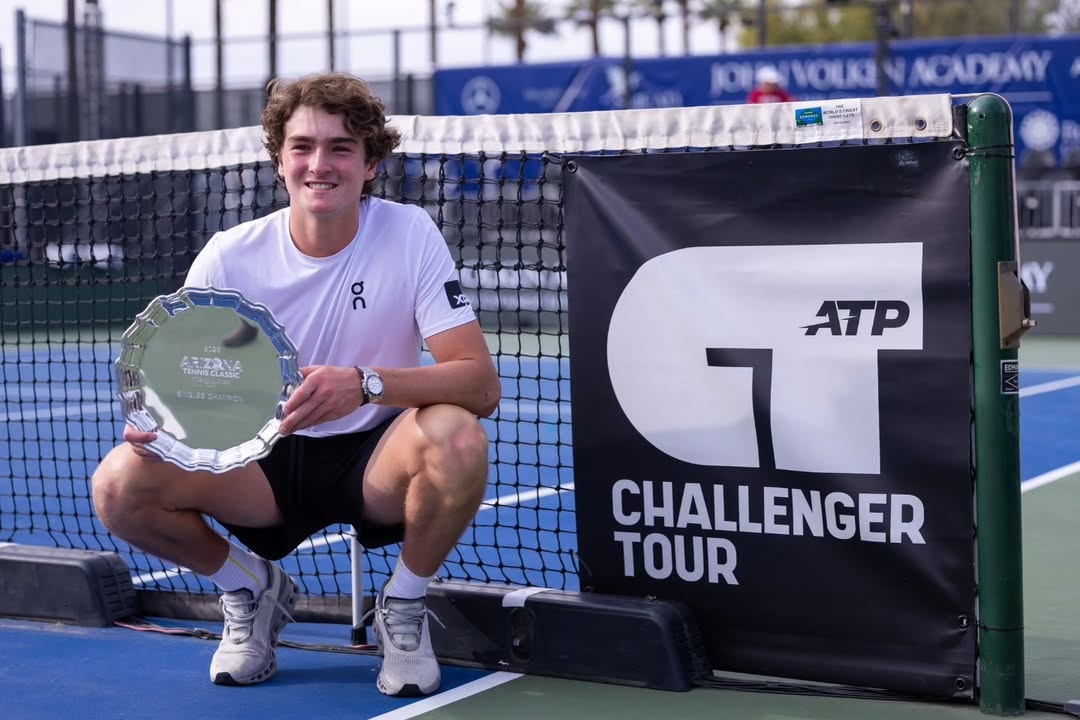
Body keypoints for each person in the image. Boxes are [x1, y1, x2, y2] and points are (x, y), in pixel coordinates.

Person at [92, 72, 501, 696]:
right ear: (279, 160)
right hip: (260, 464)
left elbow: (480, 384)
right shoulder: (230, 256)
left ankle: (404, 604)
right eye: (304, 146)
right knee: (119, 484)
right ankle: (250, 588)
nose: (320, 164)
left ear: (370, 165)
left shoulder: (410, 232)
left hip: (375, 461)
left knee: (459, 436)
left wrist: (364, 385)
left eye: (341, 148)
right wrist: (161, 423)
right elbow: (181, 382)